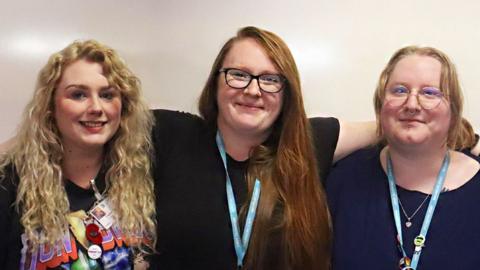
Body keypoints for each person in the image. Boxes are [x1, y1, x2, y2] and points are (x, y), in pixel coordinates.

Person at [150, 26, 376, 270]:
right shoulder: (172, 133)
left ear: (287, 92)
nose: (253, 90)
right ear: (215, 81)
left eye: (270, 79)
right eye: (238, 74)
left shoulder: (305, 143)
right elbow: (109, 111)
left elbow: (390, 128)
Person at [0, 40, 156, 269]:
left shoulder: (144, 169)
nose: (96, 107)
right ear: (50, 106)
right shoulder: (10, 185)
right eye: (79, 95)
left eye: (107, 95)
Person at [326, 46, 480, 269]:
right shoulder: (342, 179)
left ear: (453, 112)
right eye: (399, 91)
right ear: (380, 106)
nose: (412, 104)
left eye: (430, 93)